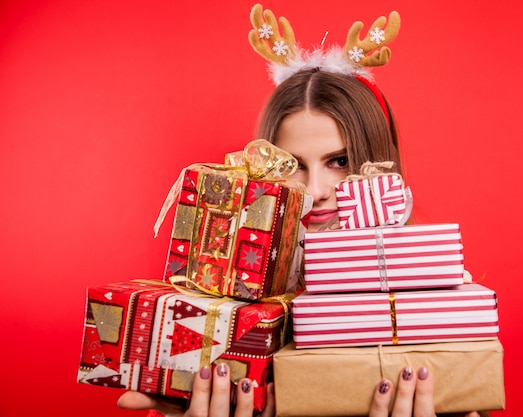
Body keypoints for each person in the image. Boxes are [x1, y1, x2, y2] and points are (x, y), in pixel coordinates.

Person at [117, 5, 483, 417]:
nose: (315, 192)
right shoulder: (228, 303)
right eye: (292, 166)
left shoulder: (432, 298)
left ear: (379, 164)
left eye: (340, 161)